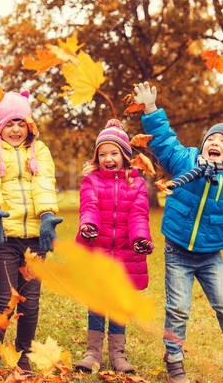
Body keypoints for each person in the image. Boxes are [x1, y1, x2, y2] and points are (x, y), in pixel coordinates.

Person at [134, 81, 223, 383]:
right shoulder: (186, 161)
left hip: (211, 255)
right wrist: (150, 108)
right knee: (178, 309)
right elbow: (163, 141)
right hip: (177, 252)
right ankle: (174, 359)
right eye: (211, 138)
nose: (215, 141)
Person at [0, 90, 62, 381]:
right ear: (0, 126)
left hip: (35, 239)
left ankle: (24, 356)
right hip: (3, 238)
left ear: (29, 126)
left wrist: (48, 215)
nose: (15, 129)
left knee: (30, 302)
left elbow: (44, 182)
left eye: (20, 123)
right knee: (4, 302)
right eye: (9, 123)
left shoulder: (40, 151)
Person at [74, 119, 153, 374]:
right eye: (103, 153)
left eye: (114, 153)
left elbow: (139, 214)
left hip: (125, 253)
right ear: (97, 158)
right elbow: (89, 207)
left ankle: (118, 354)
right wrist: (88, 225)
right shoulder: (91, 181)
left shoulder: (137, 183)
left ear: (125, 156)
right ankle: (92, 353)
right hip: (98, 249)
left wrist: (141, 239)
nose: (109, 158)